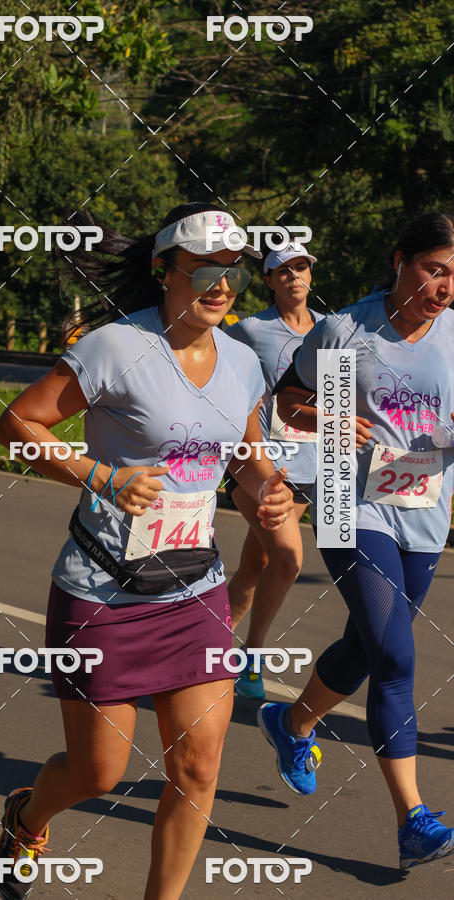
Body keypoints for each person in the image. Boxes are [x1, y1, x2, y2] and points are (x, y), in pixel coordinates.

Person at [0, 201, 294, 900]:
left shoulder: (244, 362)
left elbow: (247, 459)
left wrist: (270, 487)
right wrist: (100, 475)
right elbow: (16, 423)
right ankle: (27, 816)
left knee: (198, 769)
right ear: (165, 271)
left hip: (195, 591)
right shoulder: (114, 348)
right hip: (103, 591)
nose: (222, 286)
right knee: (99, 773)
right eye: (205, 271)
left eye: (234, 273)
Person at [258, 211, 454, 869]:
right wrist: (335, 419)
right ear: (401, 261)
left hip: (424, 508)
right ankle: (413, 819)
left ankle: (292, 724)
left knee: (364, 647)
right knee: (396, 654)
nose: (444, 285)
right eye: (435, 269)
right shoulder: (346, 329)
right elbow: (290, 403)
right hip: (350, 504)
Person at [225, 242, 323, 699]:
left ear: (310, 274)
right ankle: (251, 660)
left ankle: (197, 644)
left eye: (300, 268)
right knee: (287, 559)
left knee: (255, 564)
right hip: (259, 466)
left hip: (309, 467)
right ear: (268, 280)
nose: (293, 277)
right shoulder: (249, 330)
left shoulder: (331, 330)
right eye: (282, 271)